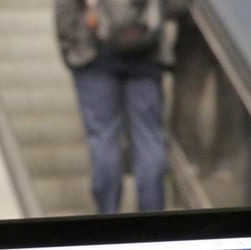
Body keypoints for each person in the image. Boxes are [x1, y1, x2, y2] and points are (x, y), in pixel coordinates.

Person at [55, 0, 187, 214]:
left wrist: (69, 47)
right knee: (149, 138)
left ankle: (109, 220)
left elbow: (65, 6)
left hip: (94, 53)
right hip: (146, 51)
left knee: (104, 137)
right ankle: (155, 224)